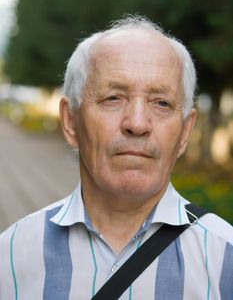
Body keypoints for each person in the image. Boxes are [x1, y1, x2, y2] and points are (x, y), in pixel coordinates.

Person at [0, 15, 232, 300]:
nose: (137, 123)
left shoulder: (227, 260)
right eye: (113, 98)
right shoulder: (10, 258)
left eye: (161, 102)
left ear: (184, 132)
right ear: (71, 121)